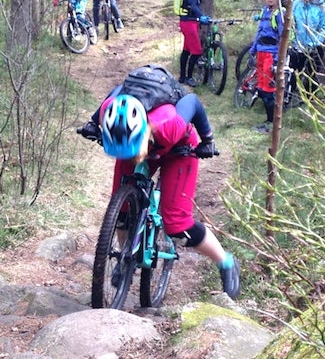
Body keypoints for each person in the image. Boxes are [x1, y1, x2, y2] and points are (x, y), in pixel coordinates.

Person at [76, 65, 241, 300]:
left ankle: (225, 261)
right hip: (138, 143)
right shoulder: (108, 113)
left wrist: (208, 140)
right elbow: (117, 91)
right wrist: (93, 123)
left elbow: (192, 101)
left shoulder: (170, 125)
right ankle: (126, 257)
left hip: (178, 150)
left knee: (177, 223)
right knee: (121, 211)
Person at [248, 0, 287, 133]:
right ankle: (268, 120)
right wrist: (252, 50)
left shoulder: (280, 14)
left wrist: (277, 60)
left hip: (271, 54)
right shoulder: (264, 11)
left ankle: (272, 123)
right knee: (261, 87)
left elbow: (282, 38)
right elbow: (259, 33)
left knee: (268, 90)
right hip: (260, 52)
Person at [290, 0, 325, 95]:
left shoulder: (322, 8)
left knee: (311, 75)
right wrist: (291, 38)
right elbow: (291, 22)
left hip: (315, 47)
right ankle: (291, 95)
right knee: (293, 72)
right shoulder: (296, 5)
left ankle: (309, 98)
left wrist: (316, 42)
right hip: (298, 45)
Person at [177, 0, 214, 87]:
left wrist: (200, 18)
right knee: (197, 51)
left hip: (191, 22)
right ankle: (189, 77)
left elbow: (195, 7)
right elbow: (192, 5)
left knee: (187, 51)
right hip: (188, 23)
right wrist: (201, 16)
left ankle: (182, 77)